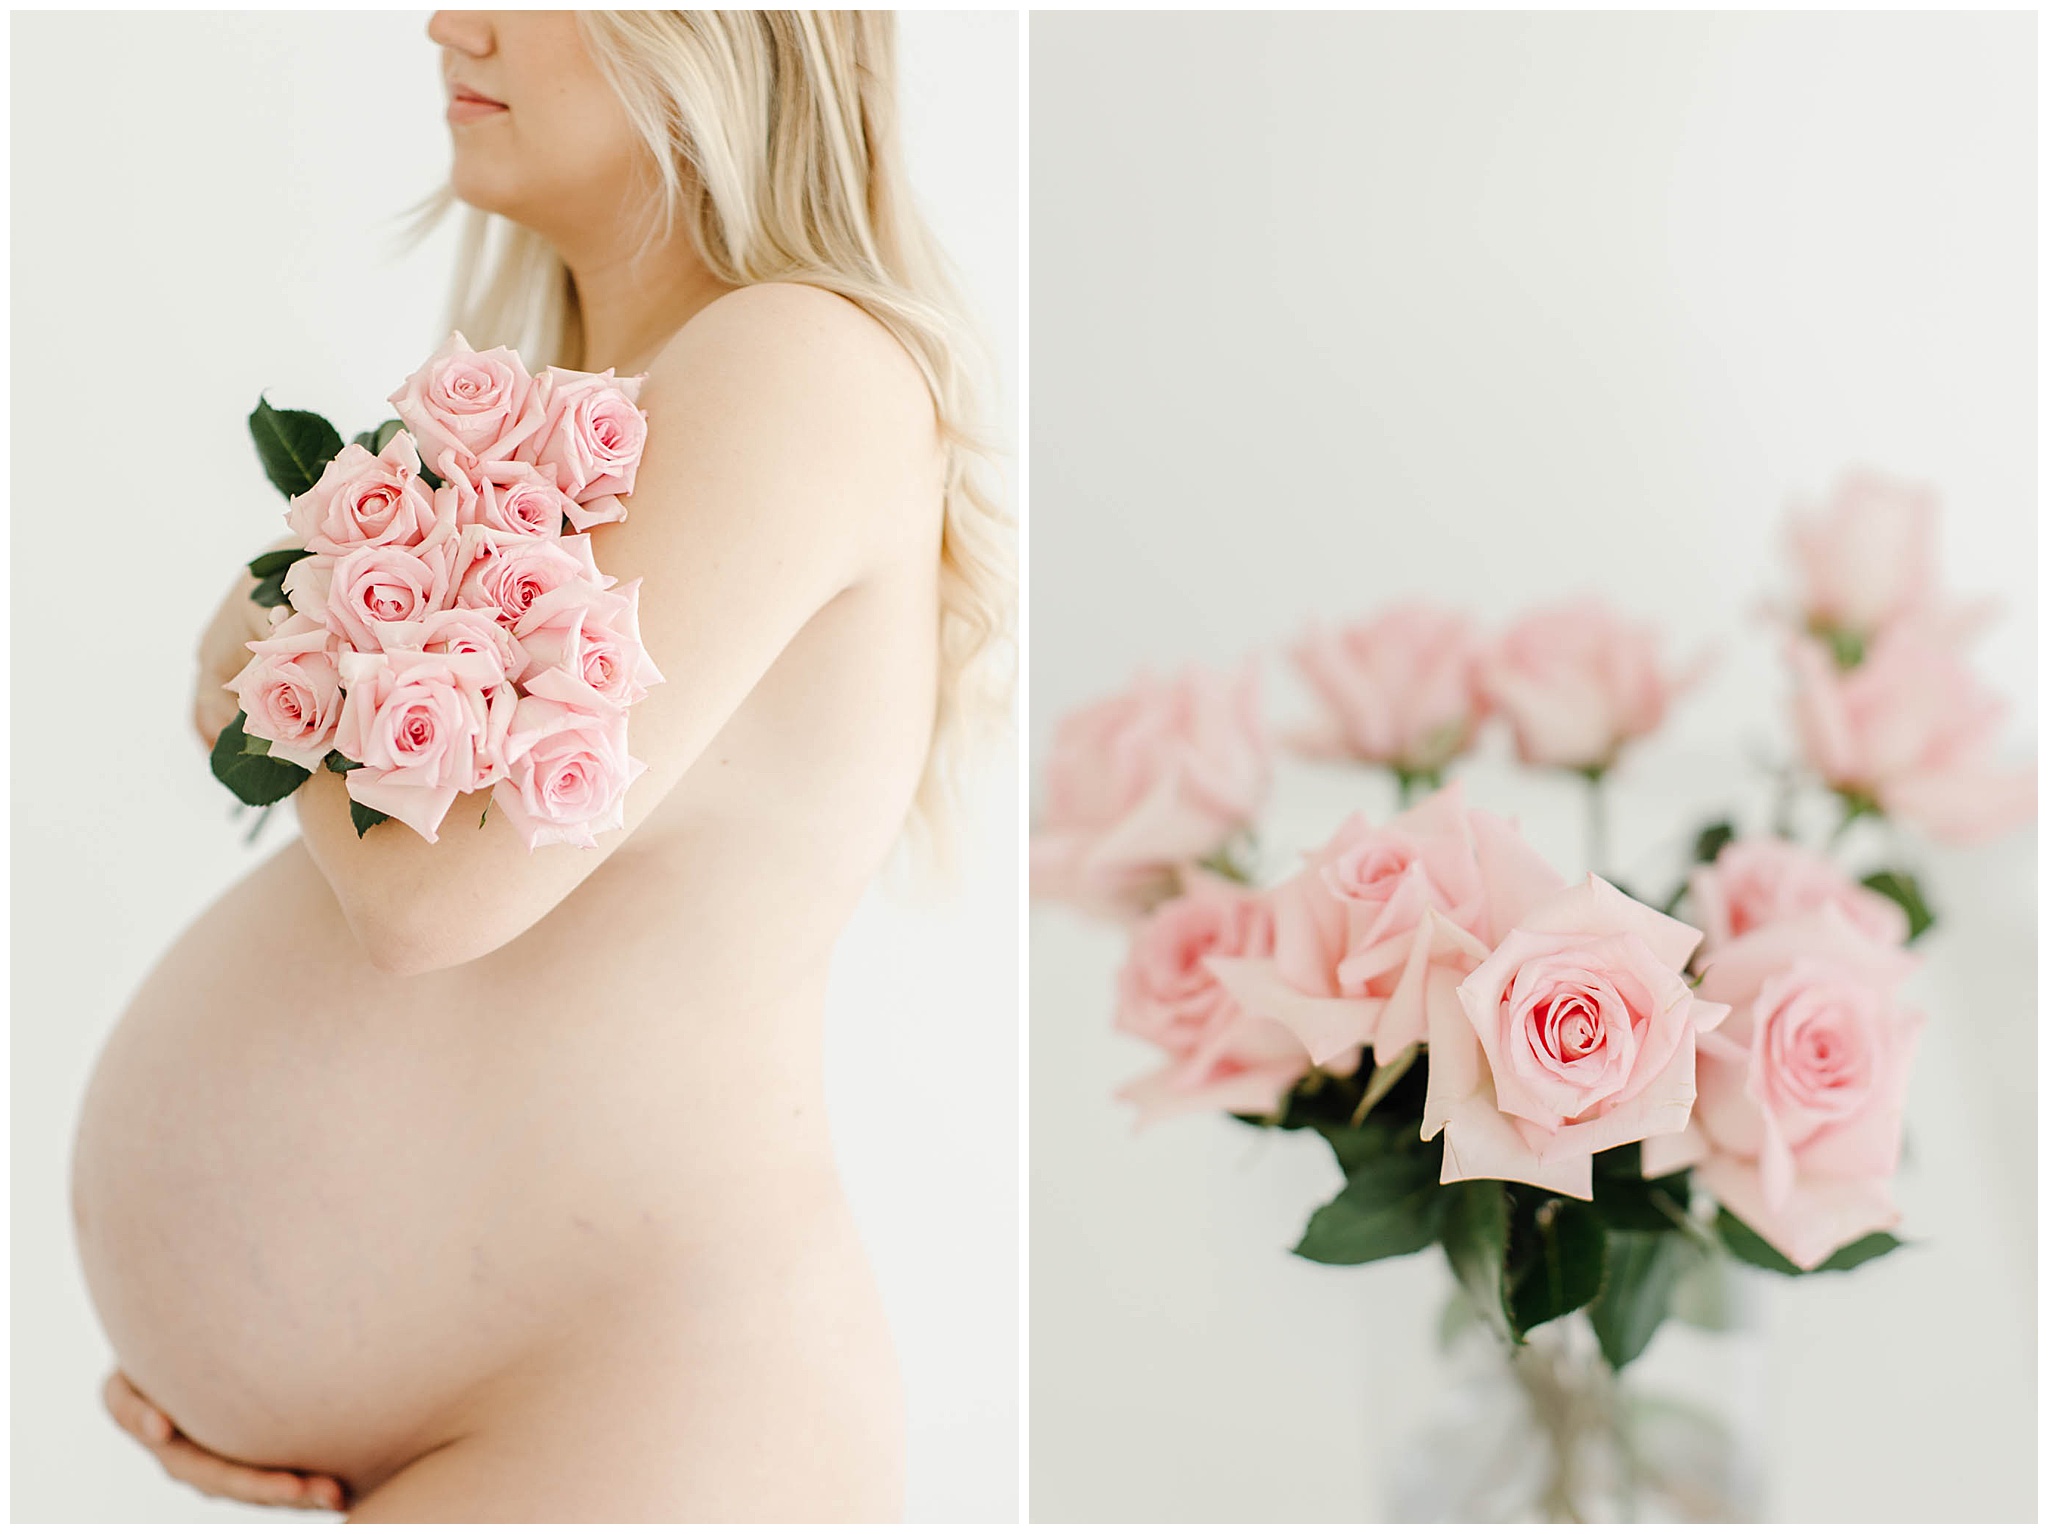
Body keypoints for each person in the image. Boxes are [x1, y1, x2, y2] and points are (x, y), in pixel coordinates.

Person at [73, 10, 1011, 1519]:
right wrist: (226, 1333)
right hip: (527, 1431)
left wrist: (269, 630)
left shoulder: (800, 358)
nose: (452, 20)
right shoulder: (602, 394)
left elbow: (428, 892)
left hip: (643, 1417)